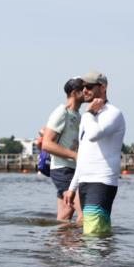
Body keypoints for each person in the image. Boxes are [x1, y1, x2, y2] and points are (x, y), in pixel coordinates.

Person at [63, 71, 125, 236]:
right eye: (83, 87)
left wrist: (88, 113)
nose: (85, 90)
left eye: (89, 87)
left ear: (103, 87)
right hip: (85, 181)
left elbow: (93, 135)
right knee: (96, 234)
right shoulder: (88, 116)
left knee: (93, 235)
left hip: (101, 181)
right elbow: (83, 153)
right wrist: (72, 187)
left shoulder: (112, 113)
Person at [39, 77, 84, 222]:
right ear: (75, 93)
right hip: (62, 169)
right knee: (84, 213)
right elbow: (47, 144)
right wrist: (75, 155)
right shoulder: (61, 112)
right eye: (84, 89)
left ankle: (60, 237)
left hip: (73, 169)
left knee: (65, 214)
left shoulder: (79, 116)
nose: (88, 92)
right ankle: (83, 238)